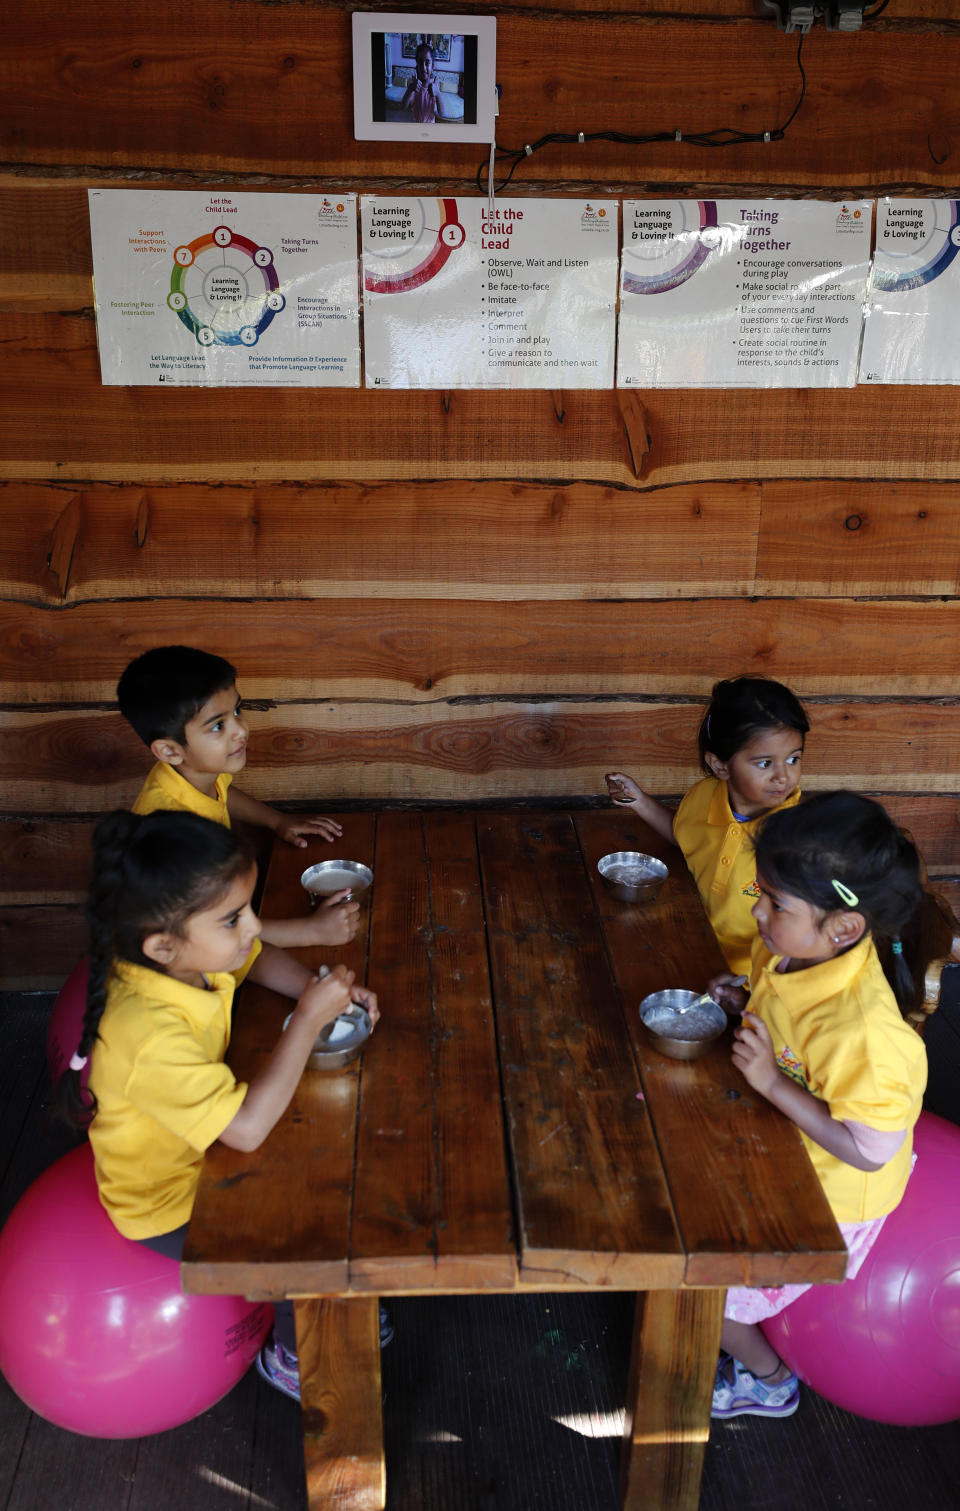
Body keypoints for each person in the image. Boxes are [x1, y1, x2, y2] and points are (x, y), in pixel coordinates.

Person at [58, 809, 381, 1403]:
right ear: (162, 945)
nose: (254, 926)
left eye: (249, 908)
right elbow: (249, 1129)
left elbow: (253, 956)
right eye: (233, 918)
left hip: (207, 1138)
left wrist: (312, 991)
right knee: (300, 1232)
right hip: (170, 1200)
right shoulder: (148, 1034)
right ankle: (291, 1357)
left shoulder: (190, 961)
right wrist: (309, 1018)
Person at [707, 791, 926, 1419]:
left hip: (829, 1200)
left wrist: (773, 1084)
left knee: (711, 1297)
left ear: (844, 928)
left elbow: (867, 1151)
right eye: (761, 894)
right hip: (784, 1148)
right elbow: (776, 1002)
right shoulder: (790, 947)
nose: (756, 913)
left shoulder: (865, 1034)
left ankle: (769, 1380)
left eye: (774, 903)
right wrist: (742, 996)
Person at [117, 645, 359, 950]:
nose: (240, 731)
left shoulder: (185, 774)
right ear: (169, 750)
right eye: (218, 725)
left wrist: (276, 821)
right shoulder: (173, 834)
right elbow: (209, 933)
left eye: (236, 711)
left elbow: (221, 791)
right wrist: (311, 932)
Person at [606, 676, 809, 976]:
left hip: (756, 976)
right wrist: (640, 801)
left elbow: (809, 938)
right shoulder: (705, 797)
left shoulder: (800, 838)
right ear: (720, 766)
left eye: (793, 759)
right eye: (765, 763)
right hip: (690, 941)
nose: (783, 776)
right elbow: (686, 834)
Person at [401, 43, 439, 123]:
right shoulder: (413, 86)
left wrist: (438, 93)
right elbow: (403, 107)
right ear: (416, 67)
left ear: (432, 67)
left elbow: (443, 113)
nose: (424, 67)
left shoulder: (435, 85)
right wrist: (410, 89)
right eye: (420, 63)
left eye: (427, 63)